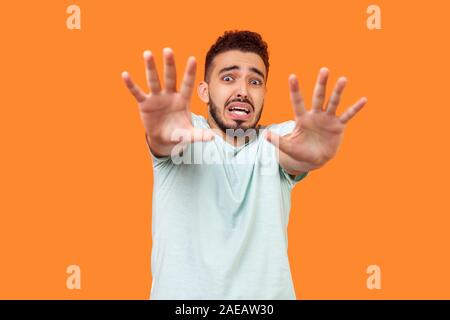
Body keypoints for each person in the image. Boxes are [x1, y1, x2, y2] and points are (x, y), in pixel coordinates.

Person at [121, 30, 367, 299]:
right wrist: (160, 134)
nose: (243, 91)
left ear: (264, 93)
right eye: (228, 78)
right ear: (204, 91)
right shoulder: (185, 133)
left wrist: (310, 152)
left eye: (255, 81)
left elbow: (295, 152)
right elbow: (164, 140)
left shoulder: (276, 140)